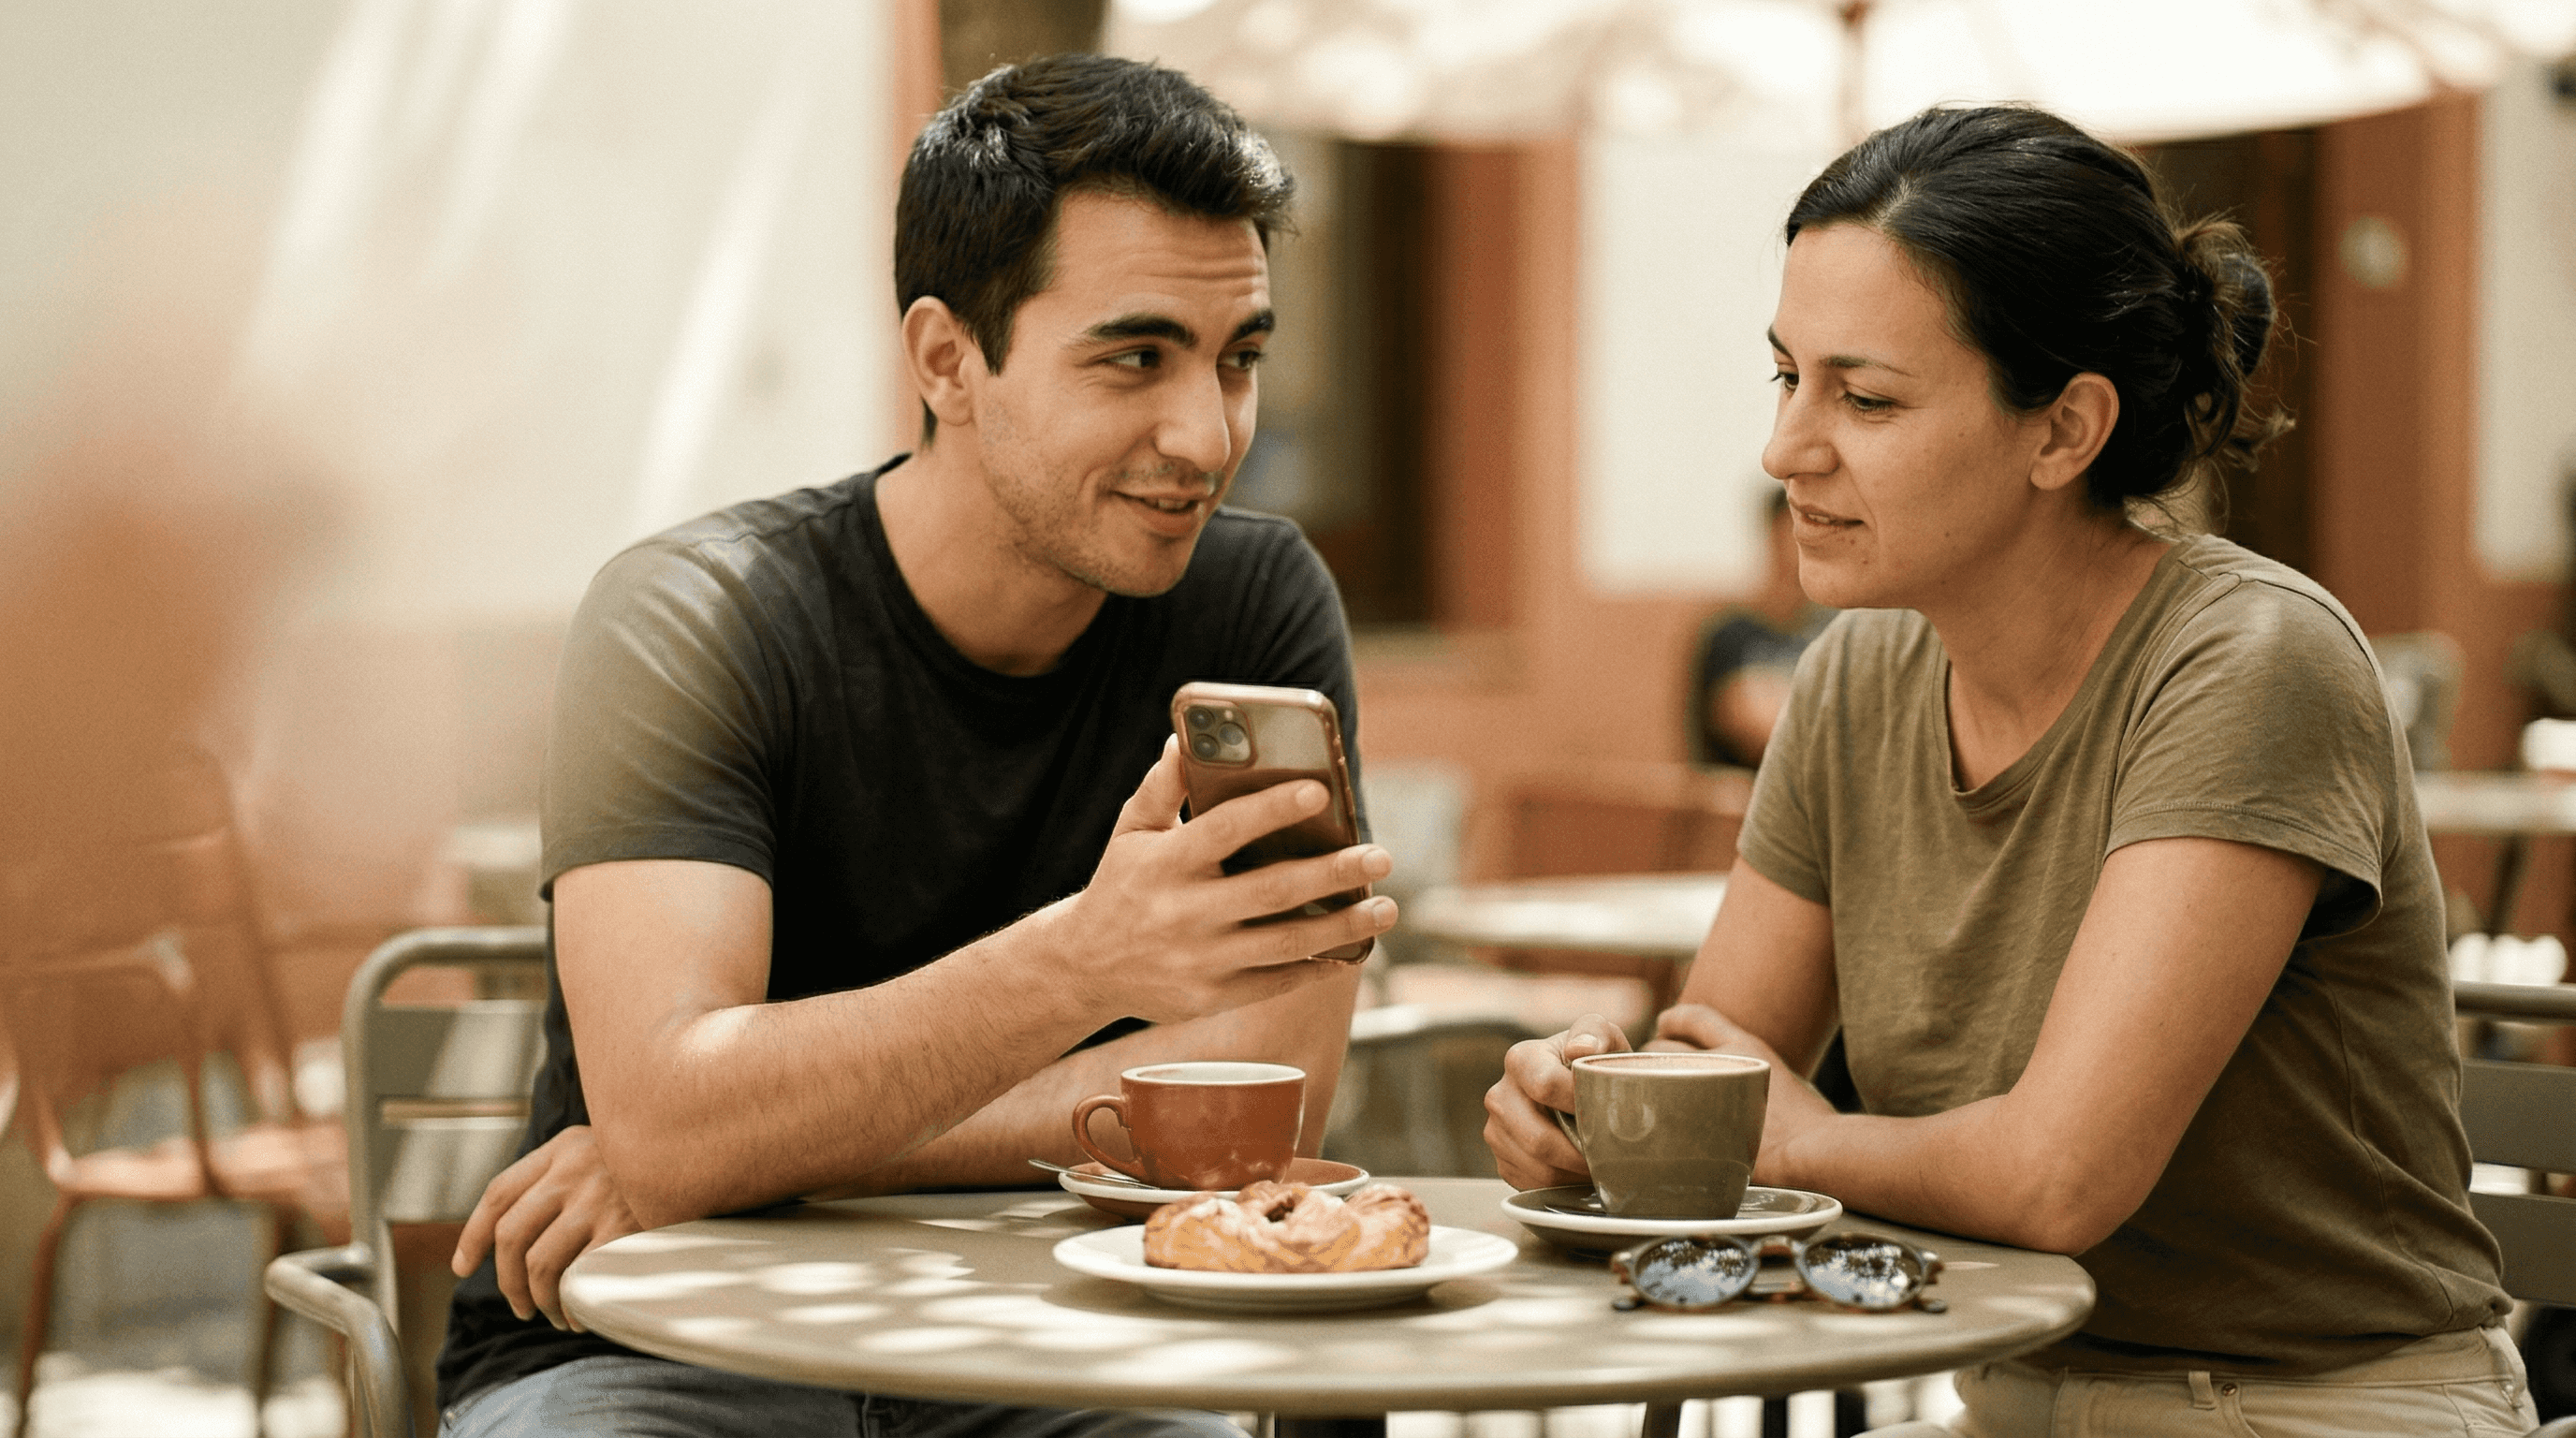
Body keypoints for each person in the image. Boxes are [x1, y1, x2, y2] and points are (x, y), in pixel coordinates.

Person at [1485, 105, 2529, 1437]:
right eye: (1785, 377)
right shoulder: (1858, 674)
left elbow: (2057, 1179)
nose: (1786, 447)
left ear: (2064, 429)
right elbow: (1721, 1063)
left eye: (1865, 398)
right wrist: (1596, 1117)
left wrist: (1791, 1141)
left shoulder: (2249, 662)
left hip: (2314, 1410)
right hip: (2007, 1397)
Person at [430, 55, 1398, 1438]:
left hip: (1061, 1345)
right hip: (651, 1344)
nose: (1206, 435)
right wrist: (1083, 963)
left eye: (1238, 358)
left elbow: (1270, 1105)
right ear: (947, 360)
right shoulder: (694, 619)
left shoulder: (1255, 602)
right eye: (1135, 358)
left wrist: (760, 1149)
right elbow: (675, 1114)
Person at [1687, 489, 1833, 770]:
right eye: (1799, 527)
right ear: (1774, 533)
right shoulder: (1730, 634)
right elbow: (1744, 722)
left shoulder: (1837, 631)